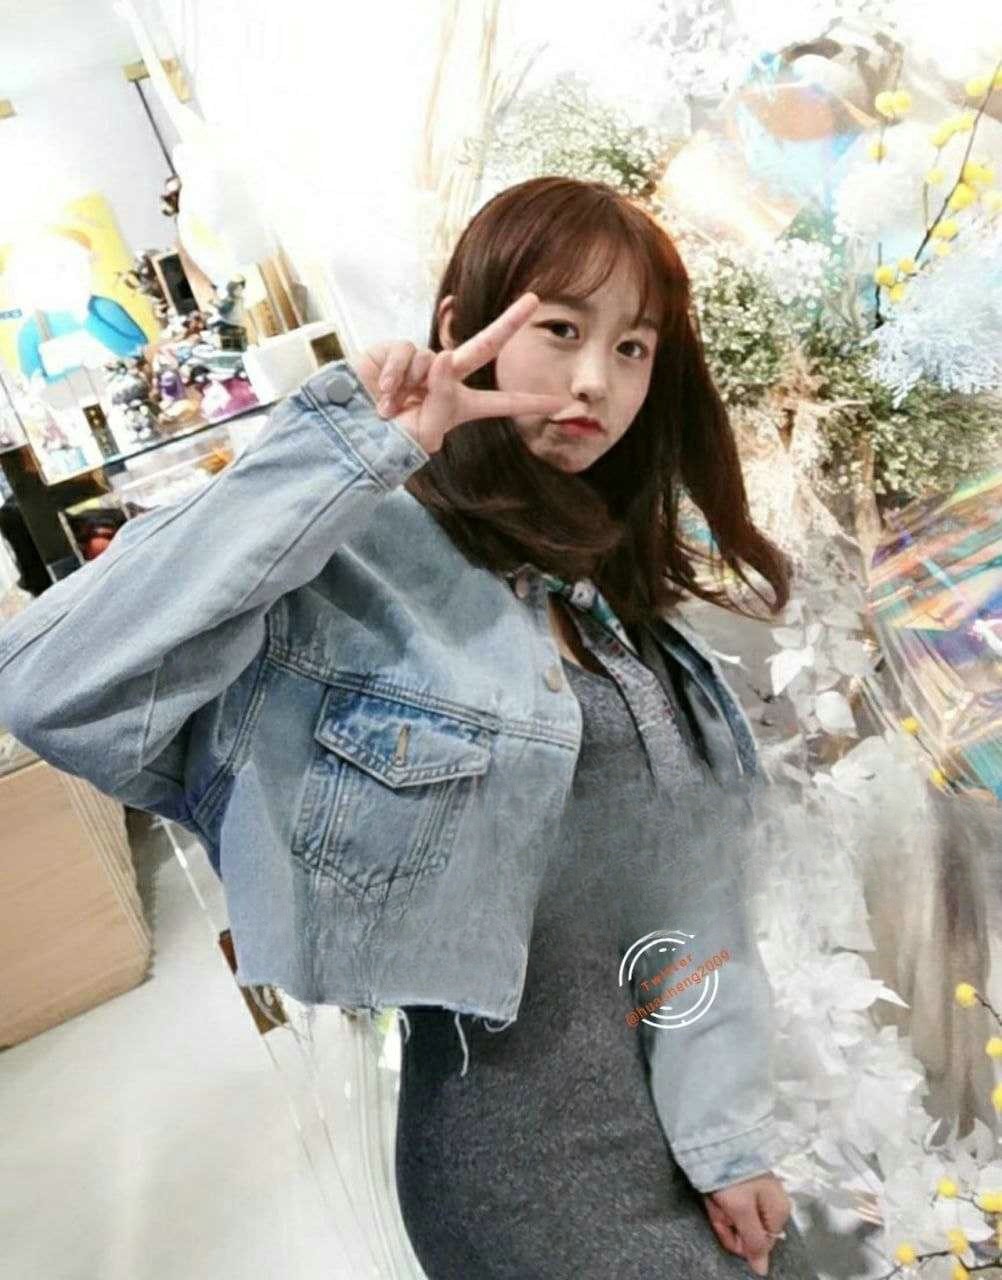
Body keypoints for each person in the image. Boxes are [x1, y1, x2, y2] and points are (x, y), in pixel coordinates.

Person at [0, 176, 817, 1279]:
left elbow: (686, 899)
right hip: (515, 1168)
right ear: (458, 325)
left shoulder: (613, 582)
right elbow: (48, 685)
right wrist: (348, 449)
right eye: (561, 328)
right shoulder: (347, 563)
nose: (595, 379)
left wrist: (725, 1132)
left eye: (632, 347)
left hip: (678, 1133)